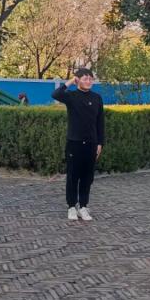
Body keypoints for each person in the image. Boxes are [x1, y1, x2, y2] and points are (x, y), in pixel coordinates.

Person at [52, 69, 105, 221]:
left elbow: (100, 122)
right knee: (73, 176)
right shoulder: (71, 96)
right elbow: (56, 94)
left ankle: (83, 206)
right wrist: (70, 82)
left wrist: (100, 143)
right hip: (74, 143)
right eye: (85, 78)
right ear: (78, 80)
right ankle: (71, 207)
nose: (88, 81)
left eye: (90, 79)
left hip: (91, 143)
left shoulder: (97, 98)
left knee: (87, 177)